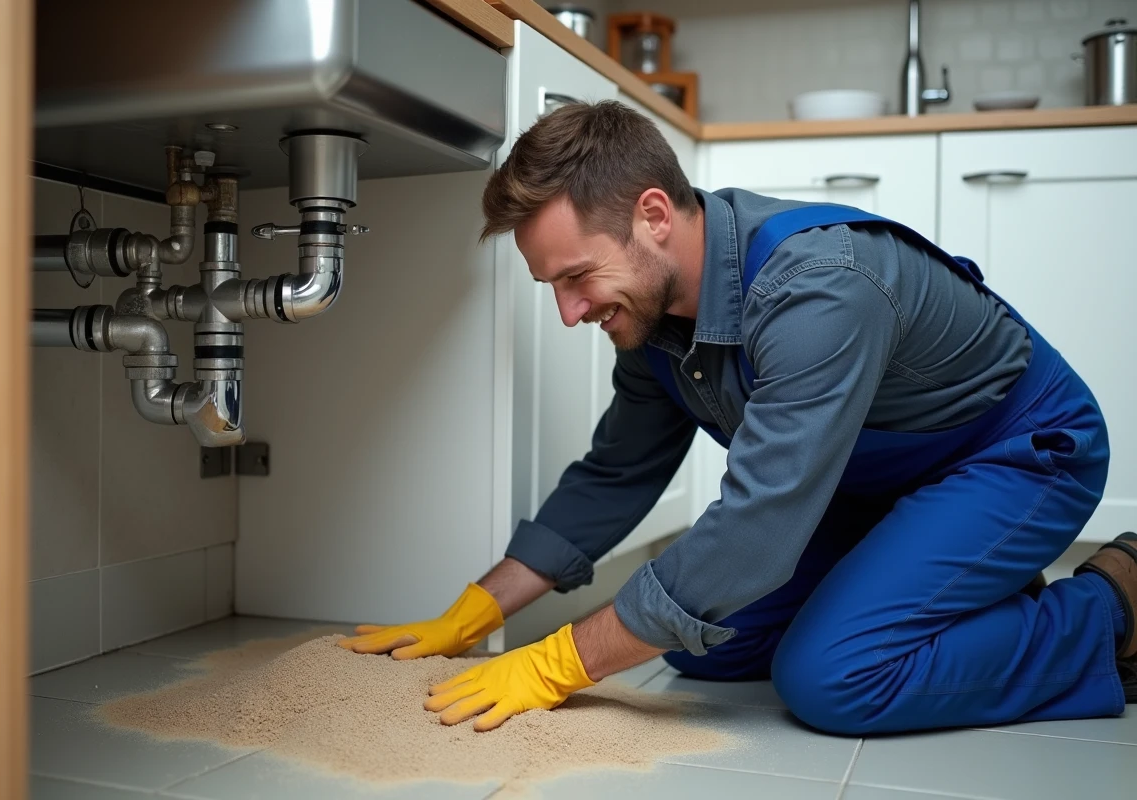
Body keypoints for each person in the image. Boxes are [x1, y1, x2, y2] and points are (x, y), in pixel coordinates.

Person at [339, 100, 1136, 735]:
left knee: (830, 678)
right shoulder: (655, 320)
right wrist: (472, 612)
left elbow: (758, 526)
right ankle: (966, 589)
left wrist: (557, 663)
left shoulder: (816, 289)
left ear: (654, 214)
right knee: (710, 652)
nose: (569, 311)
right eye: (552, 285)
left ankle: (1110, 608)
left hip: (1018, 454)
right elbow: (619, 471)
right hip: (876, 482)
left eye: (577, 276)